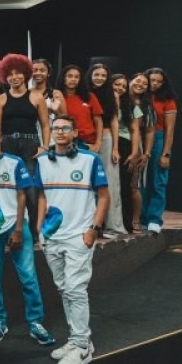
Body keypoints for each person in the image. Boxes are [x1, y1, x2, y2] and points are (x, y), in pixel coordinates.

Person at [0, 124, 54, 347]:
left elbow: (22, 195)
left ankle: (35, 322)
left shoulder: (14, 162)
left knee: (28, 276)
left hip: (16, 224)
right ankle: (0, 321)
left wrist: (17, 228)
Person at [36, 115, 109, 364]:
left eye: (65, 128)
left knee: (76, 289)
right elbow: (43, 195)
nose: (59, 132)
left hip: (79, 235)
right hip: (52, 236)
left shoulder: (90, 159)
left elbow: (103, 197)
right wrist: (39, 227)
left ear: (75, 132)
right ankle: (76, 337)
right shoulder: (43, 161)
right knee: (64, 288)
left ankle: (82, 345)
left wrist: (93, 230)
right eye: (55, 128)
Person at [0, 53, 50, 240]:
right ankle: (8, 231)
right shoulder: (0, 100)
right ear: (4, 77)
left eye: (18, 73)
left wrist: (45, 147)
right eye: (10, 74)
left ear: (26, 74)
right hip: (7, 145)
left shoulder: (36, 97)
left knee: (31, 191)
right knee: (9, 189)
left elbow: (45, 124)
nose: (14, 77)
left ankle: (34, 234)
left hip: (30, 145)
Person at [87, 64, 126, 237]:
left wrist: (116, 147)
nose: (100, 78)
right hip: (86, 141)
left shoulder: (113, 95)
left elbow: (115, 121)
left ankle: (113, 227)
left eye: (104, 75)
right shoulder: (84, 92)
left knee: (111, 184)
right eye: (97, 74)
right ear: (90, 75)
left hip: (107, 139)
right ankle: (92, 226)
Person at [142, 67, 178, 235]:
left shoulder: (168, 100)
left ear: (163, 83)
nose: (153, 83)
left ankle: (154, 219)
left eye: (157, 81)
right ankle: (141, 218)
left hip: (158, 138)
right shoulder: (140, 96)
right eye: (151, 80)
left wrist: (166, 154)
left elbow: (170, 130)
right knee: (140, 182)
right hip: (139, 137)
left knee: (157, 181)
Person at [120, 73, 154, 232]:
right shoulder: (119, 97)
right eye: (138, 80)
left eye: (145, 83)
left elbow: (148, 131)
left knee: (133, 186)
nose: (140, 84)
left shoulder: (146, 105)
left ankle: (135, 220)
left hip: (135, 146)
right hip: (117, 144)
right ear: (130, 81)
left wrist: (145, 153)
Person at [56, 65, 104, 153]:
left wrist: (98, 143)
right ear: (63, 78)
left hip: (87, 143)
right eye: (70, 76)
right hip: (65, 142)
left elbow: (98, 121)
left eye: (77, 77)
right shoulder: (56, 97)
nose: (73, 79)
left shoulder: (89, 96)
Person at [32, 58, 66, 130]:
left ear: (48, 73)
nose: (38, 73)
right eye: (34, 70)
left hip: (51, 135)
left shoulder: (56, 94)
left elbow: (65, 120)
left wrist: (55, 111)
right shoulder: (27, 93)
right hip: (32, 134)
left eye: (42, 70)